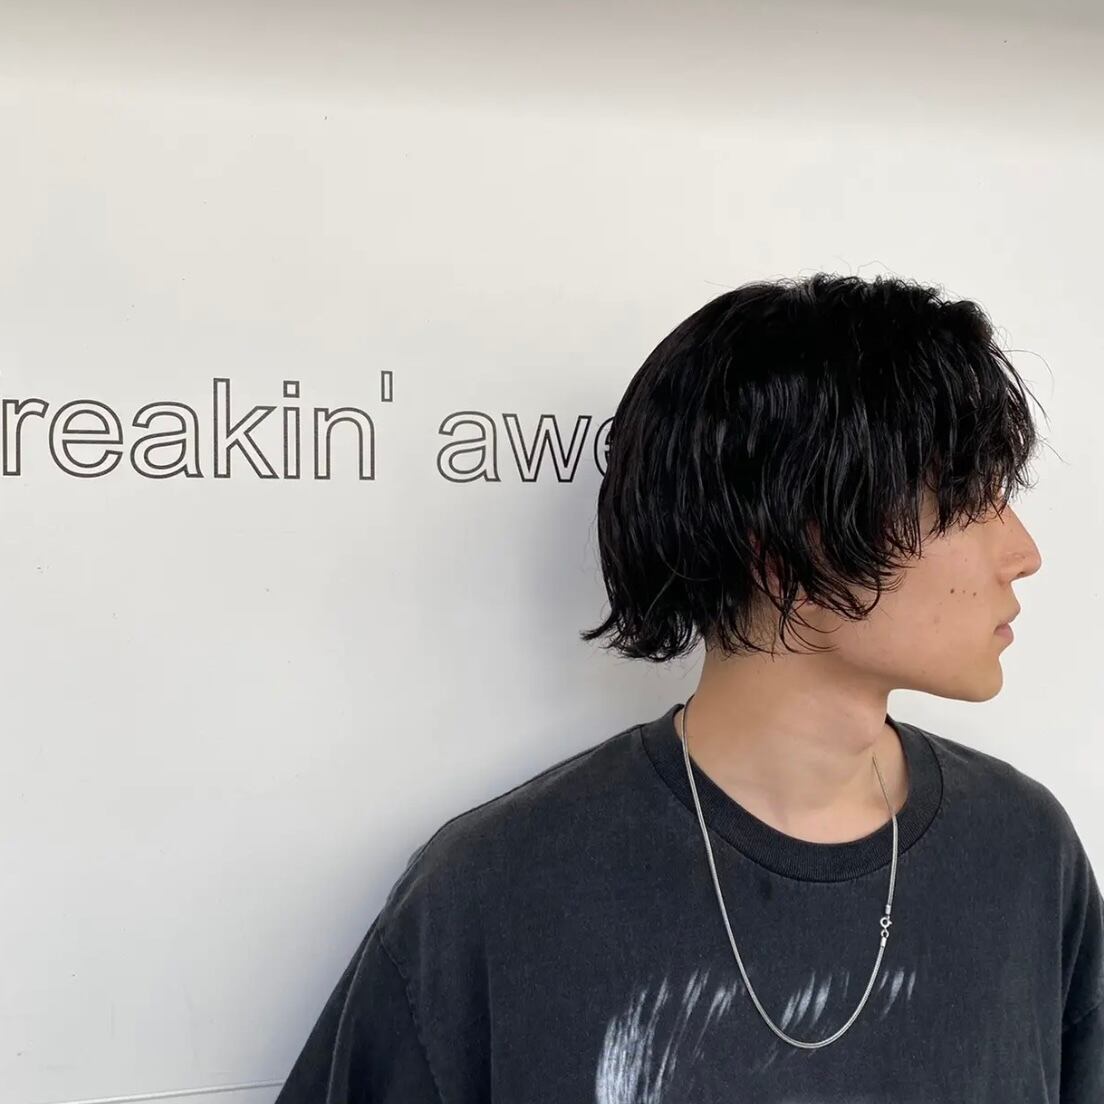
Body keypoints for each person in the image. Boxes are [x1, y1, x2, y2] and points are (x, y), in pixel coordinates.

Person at [273, 273, 1103, 1101]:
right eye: (969, 500)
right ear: (789, 542)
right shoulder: (498, 893)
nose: (1023, 552)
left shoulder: (1025, 854)